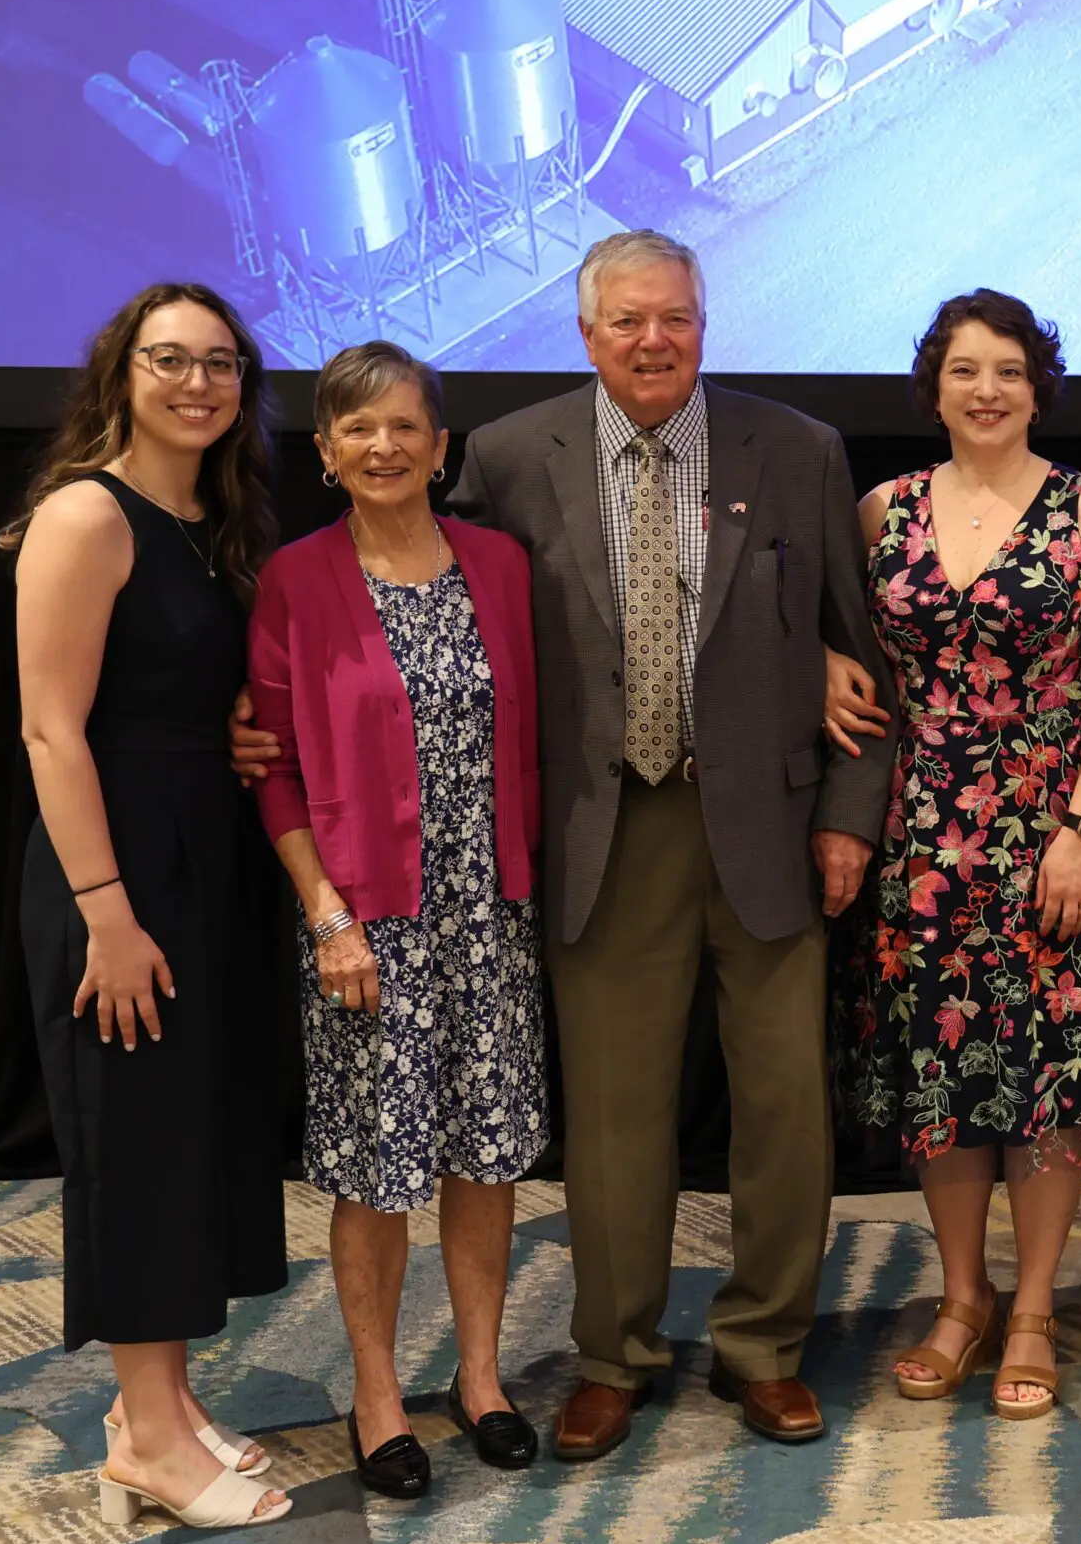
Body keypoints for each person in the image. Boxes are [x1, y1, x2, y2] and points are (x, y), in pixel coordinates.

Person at [231, 230, 894, 1455]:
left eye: (677, 319)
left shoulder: (797, 452)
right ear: (585, 332)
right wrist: (271, 722)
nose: (654, 341)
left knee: (787, 1108)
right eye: (627, 321)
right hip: (599, 832)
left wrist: (850, 816)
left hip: (769, 827)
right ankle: (616, 1355)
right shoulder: (510, 456)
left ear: (706, 322)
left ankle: (766, 1347)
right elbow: (427, 603)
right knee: (614, 1118)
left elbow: (858, 654)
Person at [821, 290, 1081, 1420]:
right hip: (922, 837)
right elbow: (837, 645)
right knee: (942, 1076)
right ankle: (962, 1298)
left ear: (1038, 388)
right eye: (964, 370)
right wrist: (831, 670)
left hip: (1049, 838)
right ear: (934, 386)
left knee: (1047, 1082)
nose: (985, 391)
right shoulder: (883, 510)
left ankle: (1032, 1310)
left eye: (1008, 372)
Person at [3, 284, 290, 1529]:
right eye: (169, 360)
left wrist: (229, 741)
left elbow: (172, 690)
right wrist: (108, 917)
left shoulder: (201, 518)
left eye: (220, 364)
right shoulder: (87, 513)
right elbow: (50, 729)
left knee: (185, 1139)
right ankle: (150, 1446)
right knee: (134, 1146)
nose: (197, 383)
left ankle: (155, 1406)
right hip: (114, 875)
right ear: (122, 372)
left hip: (197, 858)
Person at [246, 342, 548, 1496]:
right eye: (355, 431)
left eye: (403, 428)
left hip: (492, 913)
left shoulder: (502, 566)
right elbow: (272, 770)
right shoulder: (298, 580)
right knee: (376, 1170)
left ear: (441, 444)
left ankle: (479, 1379)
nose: (383, 447)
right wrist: (326, 917)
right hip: (369, 924)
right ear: (325, 454)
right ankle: (378, 1395)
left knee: (486, 1152)